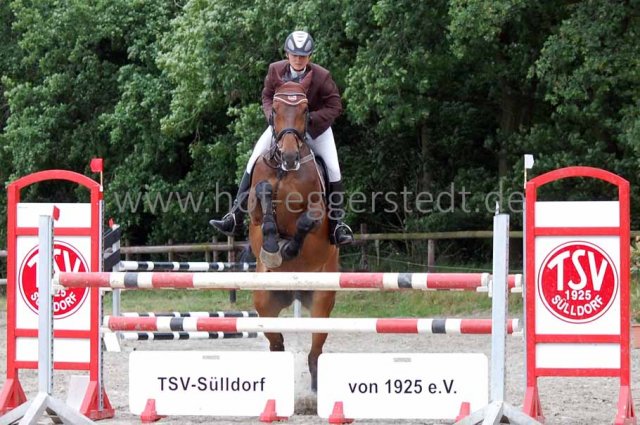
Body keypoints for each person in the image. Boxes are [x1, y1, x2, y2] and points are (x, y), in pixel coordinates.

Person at [210, 30, 354, 246]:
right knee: (254, 159)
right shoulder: (275, 70)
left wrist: (308, 120)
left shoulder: (322, 76)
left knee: (333, 168)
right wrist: (272, 116)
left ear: (310, 56)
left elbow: (335, 106)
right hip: (282, 128)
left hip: (314, 129)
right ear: (287, 54)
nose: (298, 59)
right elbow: (267, 96)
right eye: (294, 55)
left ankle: (337, 225)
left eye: (303, 56)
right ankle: (234, 216)